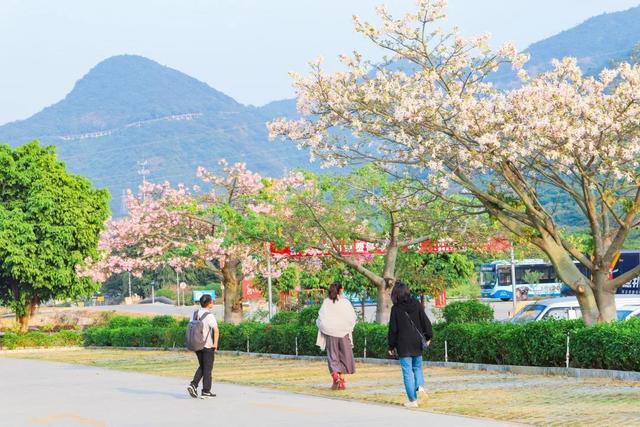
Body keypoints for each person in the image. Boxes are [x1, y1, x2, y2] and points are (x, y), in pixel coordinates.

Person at [387, 281, 433, 408]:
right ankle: (420, 387)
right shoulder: (416, 304)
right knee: (417, 368)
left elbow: (393, 329)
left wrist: (391, 346)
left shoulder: (395, 309)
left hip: (403, 345)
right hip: (416, 343)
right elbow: (425, 321)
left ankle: (413, 400)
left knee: (407, 372)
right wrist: (428, 336)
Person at [316, 282, 357, 390]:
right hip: (344, 333)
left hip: (330, 334)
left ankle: (335, 377)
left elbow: (321, 319)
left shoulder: (326, 302)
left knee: (333, 356)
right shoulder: (345, 303)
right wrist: (347, 328)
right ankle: (342, 382)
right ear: (340, 290)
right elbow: (352, 318)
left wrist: (326, 328)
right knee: (345, 357)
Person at [187, 294, 219, 399]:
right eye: (212, 302)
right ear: (209, 303)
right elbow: (216, 330)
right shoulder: (209, 315)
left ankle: (194, 385)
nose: (212, 303)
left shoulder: (195, 314)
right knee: (208, 368)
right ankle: (206, 391)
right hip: (207, 345)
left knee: (203, 366)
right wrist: (215, 344)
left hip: (196, 344)